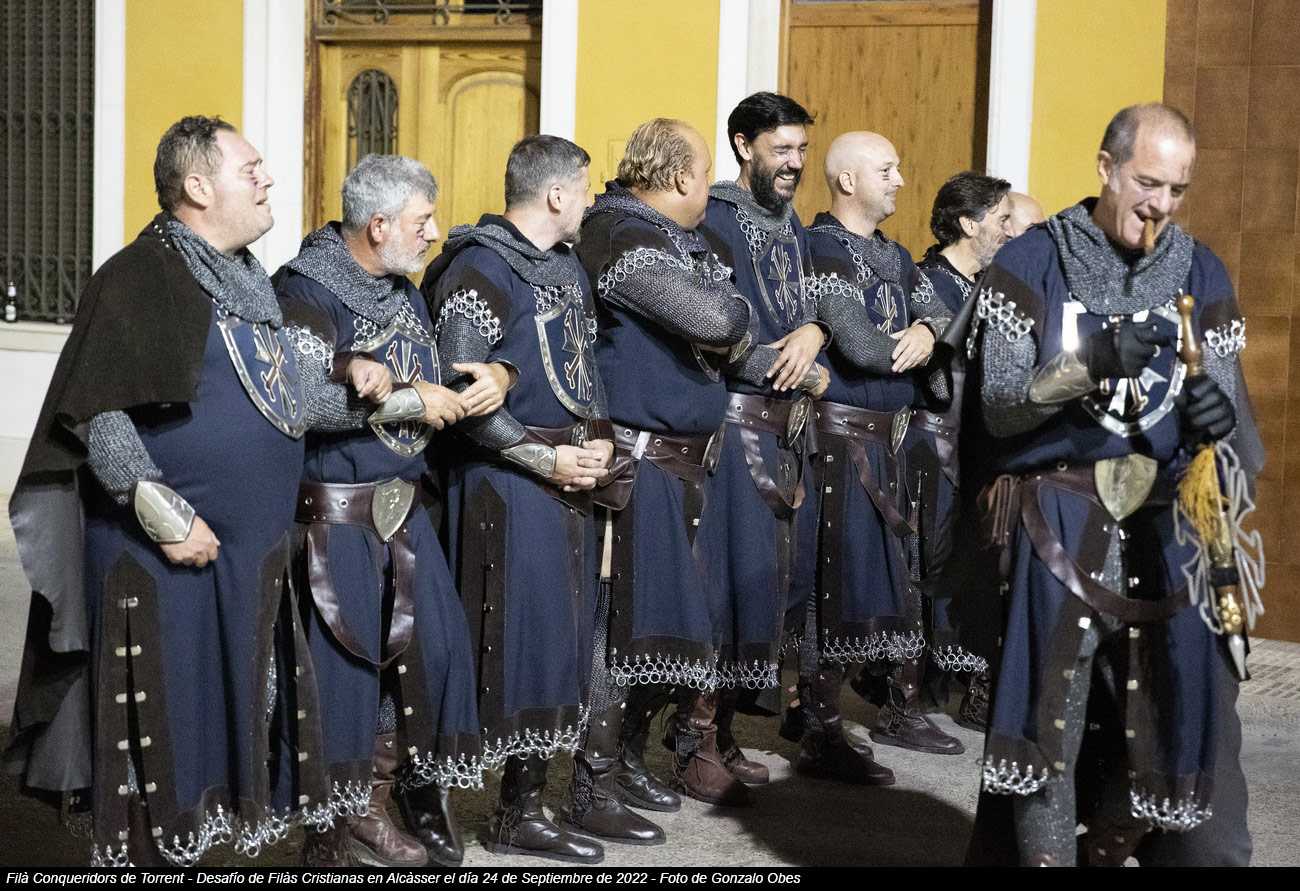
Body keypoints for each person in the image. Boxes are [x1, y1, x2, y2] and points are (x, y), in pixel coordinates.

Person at [4, 116, 391, 866]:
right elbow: (98, 410)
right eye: (252, 169)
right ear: (198, 186)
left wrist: (390, 395)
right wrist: (166, 516)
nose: (268, 178)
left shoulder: (244, 277)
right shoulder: (142, 275)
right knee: (158, 741)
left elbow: (287, 398)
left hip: (245, 558)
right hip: (163, 558)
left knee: (211, 734)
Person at [963, 103, 1259, 866]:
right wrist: (1090, 360)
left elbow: (1228, 420)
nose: (1161, 204)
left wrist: (1216, 417)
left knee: (1180, 714)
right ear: (1106, 167)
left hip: (1171, 524)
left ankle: (1113, 837)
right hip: (1057, 514)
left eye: (1177, 190)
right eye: (1148, 183)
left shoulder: (1200, 270)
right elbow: (999, 405)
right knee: (1047, 727)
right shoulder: (1034, 260)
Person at [273, 155, 511, 866]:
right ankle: (327, 836)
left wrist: (502, 373)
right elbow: (299, 399)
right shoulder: (306, 289)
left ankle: (371, 805)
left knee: (427, 657)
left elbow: (433, 378)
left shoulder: (402, 291)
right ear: (377, 225)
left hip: (404, 513)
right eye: (421, 220)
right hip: (334, 518)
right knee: (338, 679)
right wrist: (405, 398)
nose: (435, 232)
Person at [422, 135, 616, 864]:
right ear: (557, 194)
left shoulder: (565, 265)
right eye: (585, 189)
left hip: (565, 477)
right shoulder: (479, 268)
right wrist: (544, 457)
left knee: (552, 643)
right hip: (501, 482)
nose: (591, 201)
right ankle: (434, 805)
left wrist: (599, 442)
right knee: (491, 645)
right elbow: (461, 390)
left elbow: (583, 368)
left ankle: (521, 808)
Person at [575, 119, 756, 815]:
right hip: (637, 461)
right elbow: (720, 322)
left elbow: (734, 332)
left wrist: (731, 315)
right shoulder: (619, 235)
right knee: (621, 625)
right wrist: (732, 309)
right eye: (706, 174)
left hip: (682, 463)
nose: (709, 187)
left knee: (667, 626)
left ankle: (624, 760)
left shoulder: (681, 239)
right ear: (680, 178)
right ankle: (591, 782)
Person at [798, 132, 960, 768]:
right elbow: (862, 347)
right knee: (832, 589)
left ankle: (892, 710)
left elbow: (945, 320)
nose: (899, 180)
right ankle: (820, 729)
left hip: (889, 438)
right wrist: (919, 341)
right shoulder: (822, 247)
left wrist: (927, 330)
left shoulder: (895, 254)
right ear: (847, 181)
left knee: (893, 579)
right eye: (886, 169)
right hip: (839, 441)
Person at [688, 92, 829, 805]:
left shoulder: (790, 221)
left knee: (767, 587)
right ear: (744, 146)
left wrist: (817, 333)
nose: (795, 163)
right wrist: (800, 366)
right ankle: (695, 741)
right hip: (736, 426)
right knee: (723, 587)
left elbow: (805, 307)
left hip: (785, 429)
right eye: (782, 149)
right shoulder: (716, 217)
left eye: (802, 150)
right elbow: (718, 333)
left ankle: (725, 730)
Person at [912, 171, 1012, 730]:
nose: (1009, 230)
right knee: (934, 566)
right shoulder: (928, 282)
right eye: (1001, 218)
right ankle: (913, 693)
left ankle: (976, 686)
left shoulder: (992, 284)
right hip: (935, 447)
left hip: (978, 445)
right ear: (970, 224)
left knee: (980, 566)